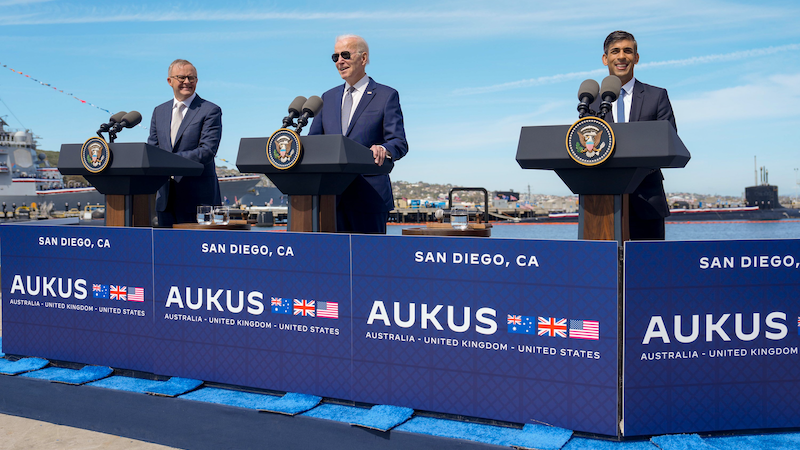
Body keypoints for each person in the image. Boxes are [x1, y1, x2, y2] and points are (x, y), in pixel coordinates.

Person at [308, 35, 408, 234]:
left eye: (345, 55)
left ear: (363, 58)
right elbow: (313, 143)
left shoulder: (386, 96)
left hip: (369, 198)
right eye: (335, 57)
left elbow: (399, 142)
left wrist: (384, 149)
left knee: (371, 263)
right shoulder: (326, 98)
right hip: (330, 199)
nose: (339, 61)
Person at [592, 30, 676, 240]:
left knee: (649, 269)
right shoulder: (591, 102)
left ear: (636, 58)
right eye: (615, 51)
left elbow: (669, 141)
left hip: (647, 201)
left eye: (628, 51)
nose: (621, 57)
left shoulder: (657, 96)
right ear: (605, 59)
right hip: (601, 204)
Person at [148, 59, 222, 227]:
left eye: (192, 78)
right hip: (165, 199)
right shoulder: (159, 111)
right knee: (165, 250)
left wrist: (169, 160)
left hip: (198, 199)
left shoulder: (210, 110)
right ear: (170, 81)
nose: (187, 82)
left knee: (197, 251)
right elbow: (152, 148)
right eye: (181, 78)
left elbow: (207, 151)